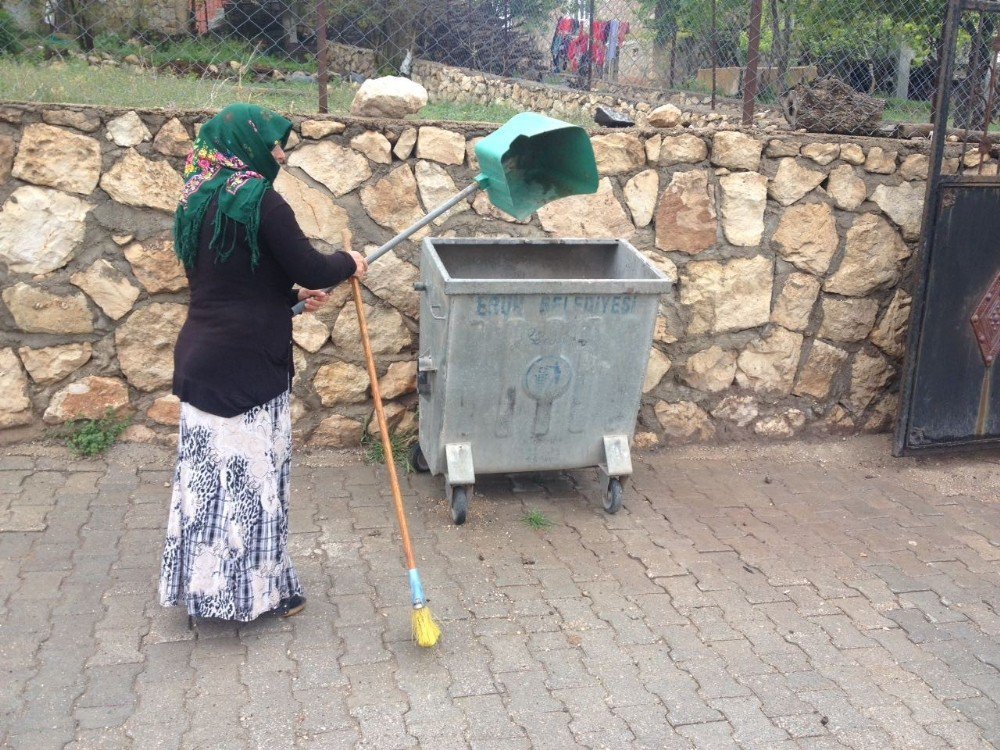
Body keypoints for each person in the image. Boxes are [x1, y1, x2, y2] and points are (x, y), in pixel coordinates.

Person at [158, 104, 367, 623]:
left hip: (202, 360)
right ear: (246, 143)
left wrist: (292, 297)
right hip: (249, 368)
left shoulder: (195, 196)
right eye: (272, 143)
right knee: (252, 488)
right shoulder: (259, 200)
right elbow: (312, 264)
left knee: (206, 487)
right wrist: (350, 264)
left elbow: (232, 281)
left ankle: (203, 593)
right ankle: (256, 596)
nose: (278, 154)